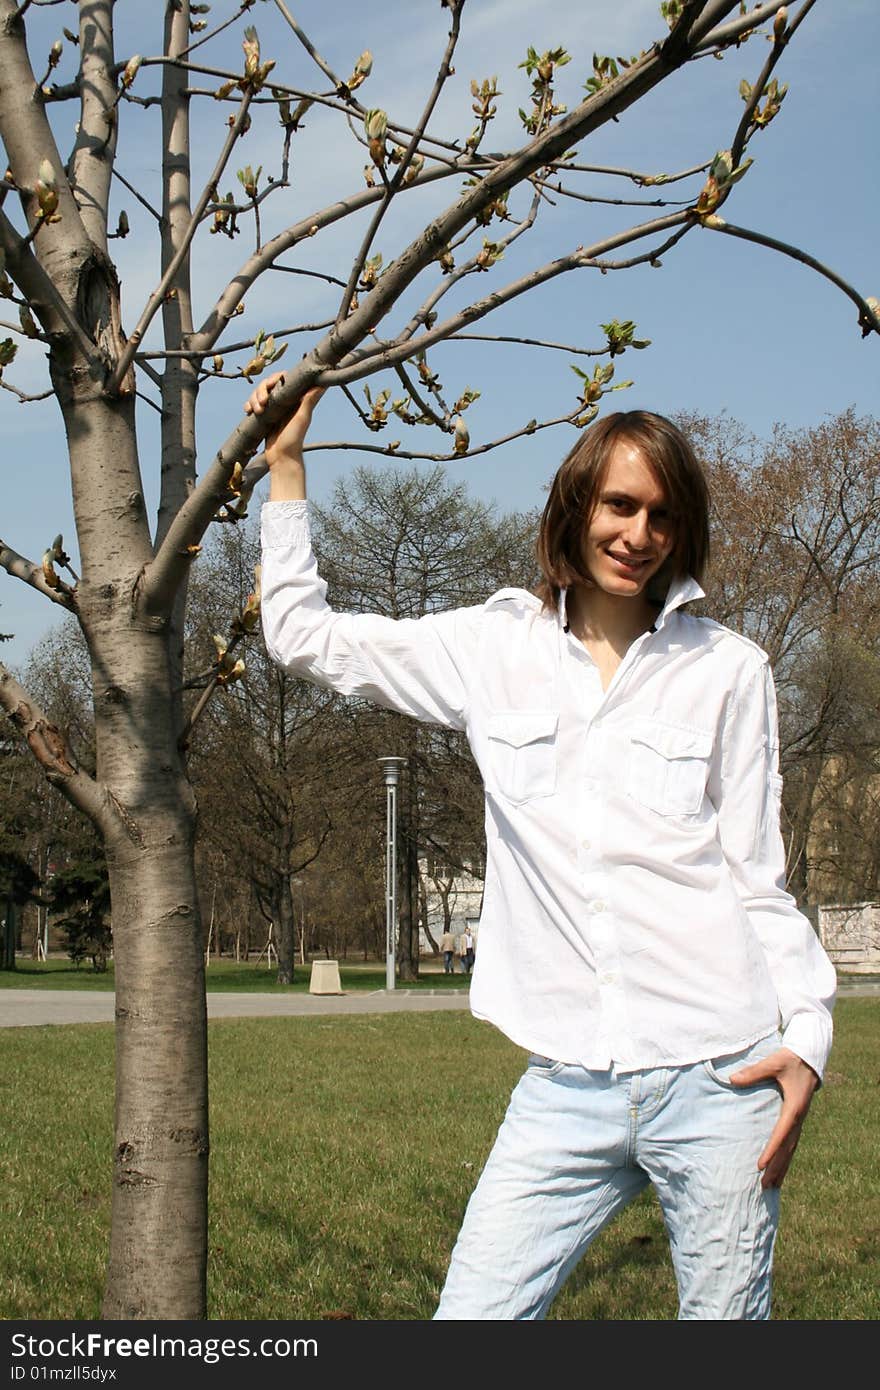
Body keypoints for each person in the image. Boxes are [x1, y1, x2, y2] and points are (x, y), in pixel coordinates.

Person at [248, 371, 835, 1321]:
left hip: (722, 1074)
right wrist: (286, 467)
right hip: (567, 1082)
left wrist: (805, 1037)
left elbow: (756, 880)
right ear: (576, 504)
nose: (637, 536)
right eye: (618, 505)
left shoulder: (730, 670)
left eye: (660, 515)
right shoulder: (494, 649)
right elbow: (301, 634)